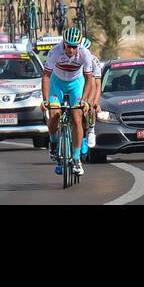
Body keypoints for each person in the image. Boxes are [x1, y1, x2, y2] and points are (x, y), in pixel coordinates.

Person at [42, 26, 98, 175]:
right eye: (68, 46)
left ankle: (76, 158)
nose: (71, 50)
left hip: (76, 83)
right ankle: (53, 142)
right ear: (63, 43)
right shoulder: (55, 51)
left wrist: (85, 101)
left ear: (78, 46)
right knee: (53, 114)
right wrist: (46, 100)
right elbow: (46, 76)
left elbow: (88, 79)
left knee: (77, 118)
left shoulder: (85, 54)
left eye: (74, 47)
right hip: (57, 82)